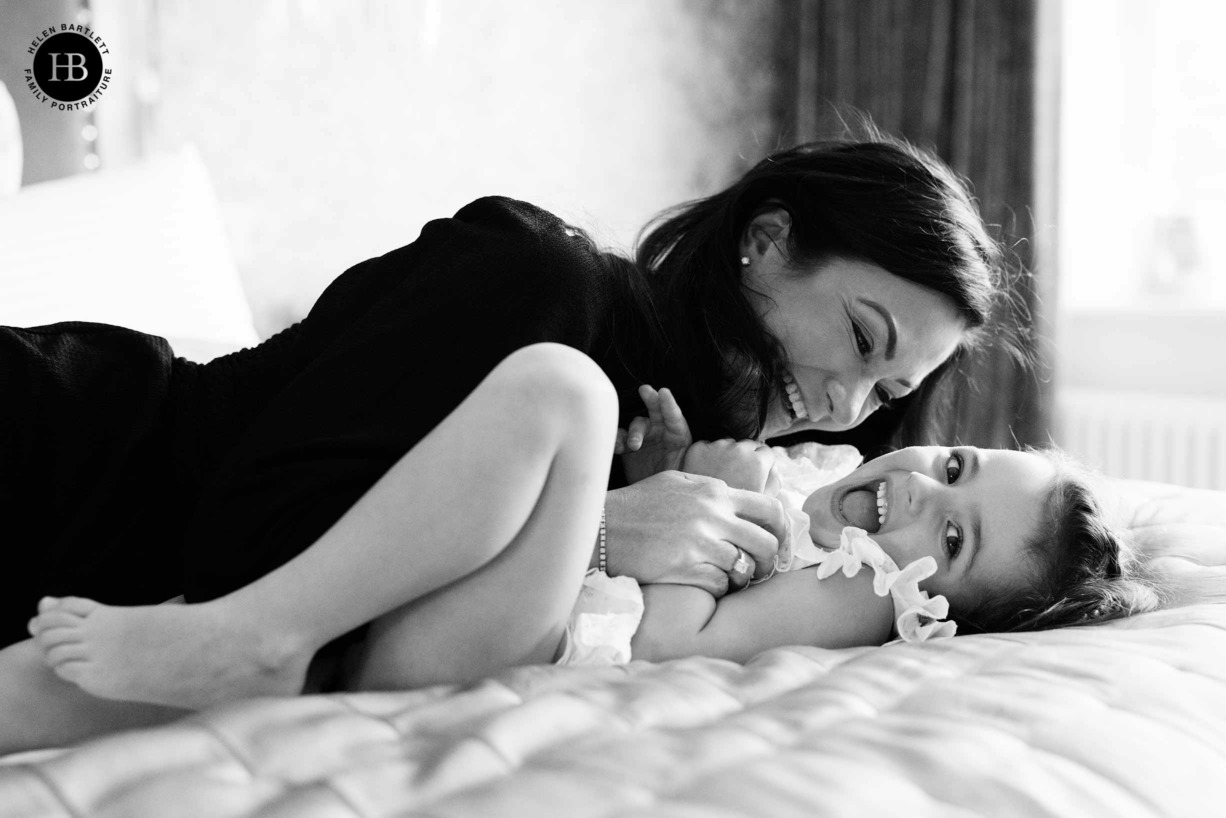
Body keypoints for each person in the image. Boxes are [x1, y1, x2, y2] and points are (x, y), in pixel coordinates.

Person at [1, 133, 1013, 650]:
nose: (842, 402)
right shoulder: (540, 281)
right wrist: (598, 529)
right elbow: (250, 544)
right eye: (858, 336)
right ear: (763, 241)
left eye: (886, 389)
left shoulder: (688, 464)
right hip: (67, 457)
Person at [12, 345, 1155, 755]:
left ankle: (265, 632)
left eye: (947, 539)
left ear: (930, 608)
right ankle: (253, 644)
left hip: (526, 644)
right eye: (949, 467)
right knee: (37, 686)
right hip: (466, 619)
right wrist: (683, 488)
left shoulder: (854, 592)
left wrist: (694, 515)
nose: (913, 494)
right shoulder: (818, 491)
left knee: (561, 386)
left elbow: (667, 634)